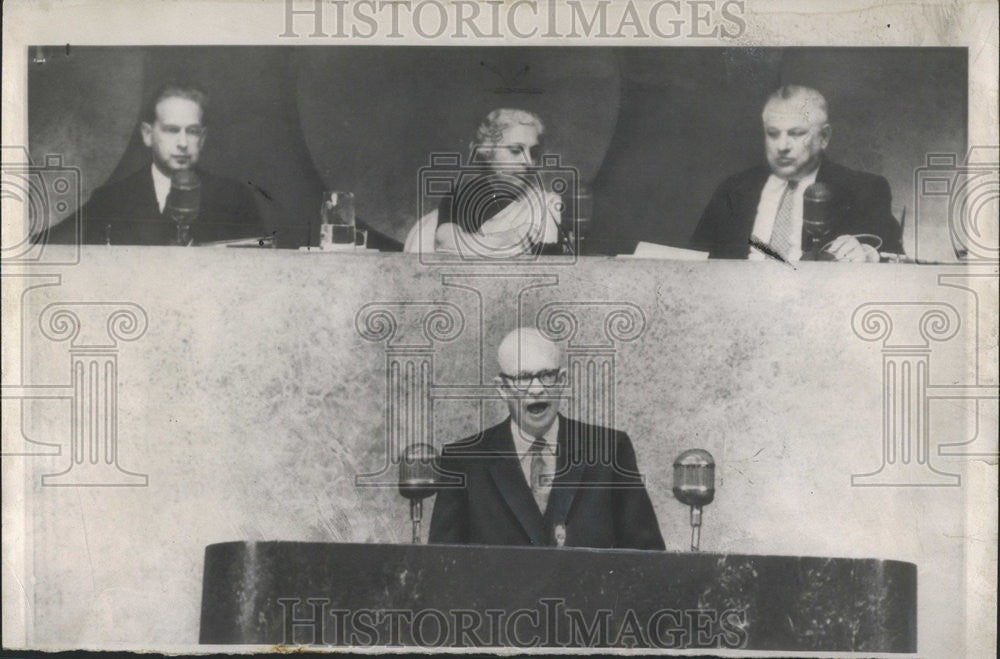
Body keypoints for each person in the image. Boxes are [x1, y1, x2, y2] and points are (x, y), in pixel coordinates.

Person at [428, 327, 665, 549]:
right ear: (502, 388)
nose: (536, 389)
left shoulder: (610, 451)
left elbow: (647, 561)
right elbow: (441, 570)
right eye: (523, 378)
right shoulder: (464, 462)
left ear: (561, 381)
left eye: (546, 375)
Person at [691, 85, 903, 261]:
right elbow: (697, 260)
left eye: (796, 133)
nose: (782, 146)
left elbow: (894, 258)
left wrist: (867, 253)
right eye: (773, 134)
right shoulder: (733, 189)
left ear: (824, 137)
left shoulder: (864, 189)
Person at [39, 83, 262, 246]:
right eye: (171, 130)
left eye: (192, 132)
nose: (183, 143)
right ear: (148, 135)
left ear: (202, 138)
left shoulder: (236, 200)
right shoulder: (108, 202)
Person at [403, 108, 563, 257]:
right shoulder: (458, 197)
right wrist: (506, 238)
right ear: (487, 151)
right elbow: (446, 244)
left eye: (533, 153)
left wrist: (478, 244)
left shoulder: (546, 205)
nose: (528, 162)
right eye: (515, 150)